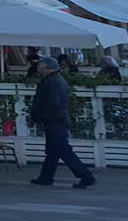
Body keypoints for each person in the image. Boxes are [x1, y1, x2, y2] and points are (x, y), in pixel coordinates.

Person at [30, 57, 96, 189]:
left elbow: (52, 103)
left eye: (40, 64)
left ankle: (86, 177)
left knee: (64, 151)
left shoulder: (51, 82)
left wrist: (38, 115)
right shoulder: (55, 80)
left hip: (54, 120)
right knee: (53, 151)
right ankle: (46, 177)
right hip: (56, 119)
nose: (38, 67)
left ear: (46, 67)